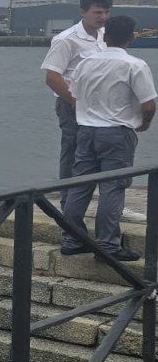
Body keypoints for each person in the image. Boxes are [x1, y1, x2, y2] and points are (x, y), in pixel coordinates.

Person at [62, 14, 156, 261]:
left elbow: (74, 94)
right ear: (132, 37)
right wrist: (145, 123)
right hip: (116, 132)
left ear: (106, 36)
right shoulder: (134, 65)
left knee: (79, 185)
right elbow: (148, 104)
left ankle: (71, 239)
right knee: (112, 188)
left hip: (86, 130)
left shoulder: (85, 63)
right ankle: (108, 246)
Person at [43, 0, 112, 200]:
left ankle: (88, 193)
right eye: (98, 12)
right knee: (72, 148)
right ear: (83, 12)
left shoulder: (103, 35)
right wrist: (74, 101)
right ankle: (67, 196)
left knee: (96, 150)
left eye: (106, 12)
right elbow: (52, 77)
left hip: (99, 105)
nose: (103, 17)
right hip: (71, 103)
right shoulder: (66, 40)